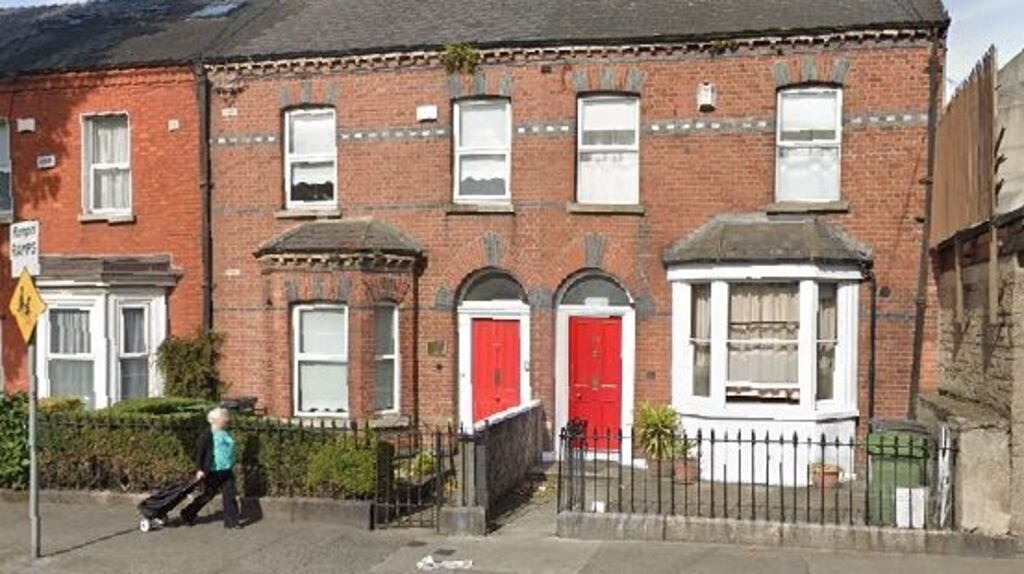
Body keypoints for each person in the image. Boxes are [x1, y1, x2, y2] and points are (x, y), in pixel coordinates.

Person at [180, 407, 241, 529]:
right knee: (207, 495)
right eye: (224, 417)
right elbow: (200, 454)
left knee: (229, 495)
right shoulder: (206, 435)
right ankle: (187, 514)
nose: (227, 419)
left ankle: (232, 522)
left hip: (226, 471)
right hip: (212, 471)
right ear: (215, 420)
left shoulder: (224, 432)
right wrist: (199, 469)